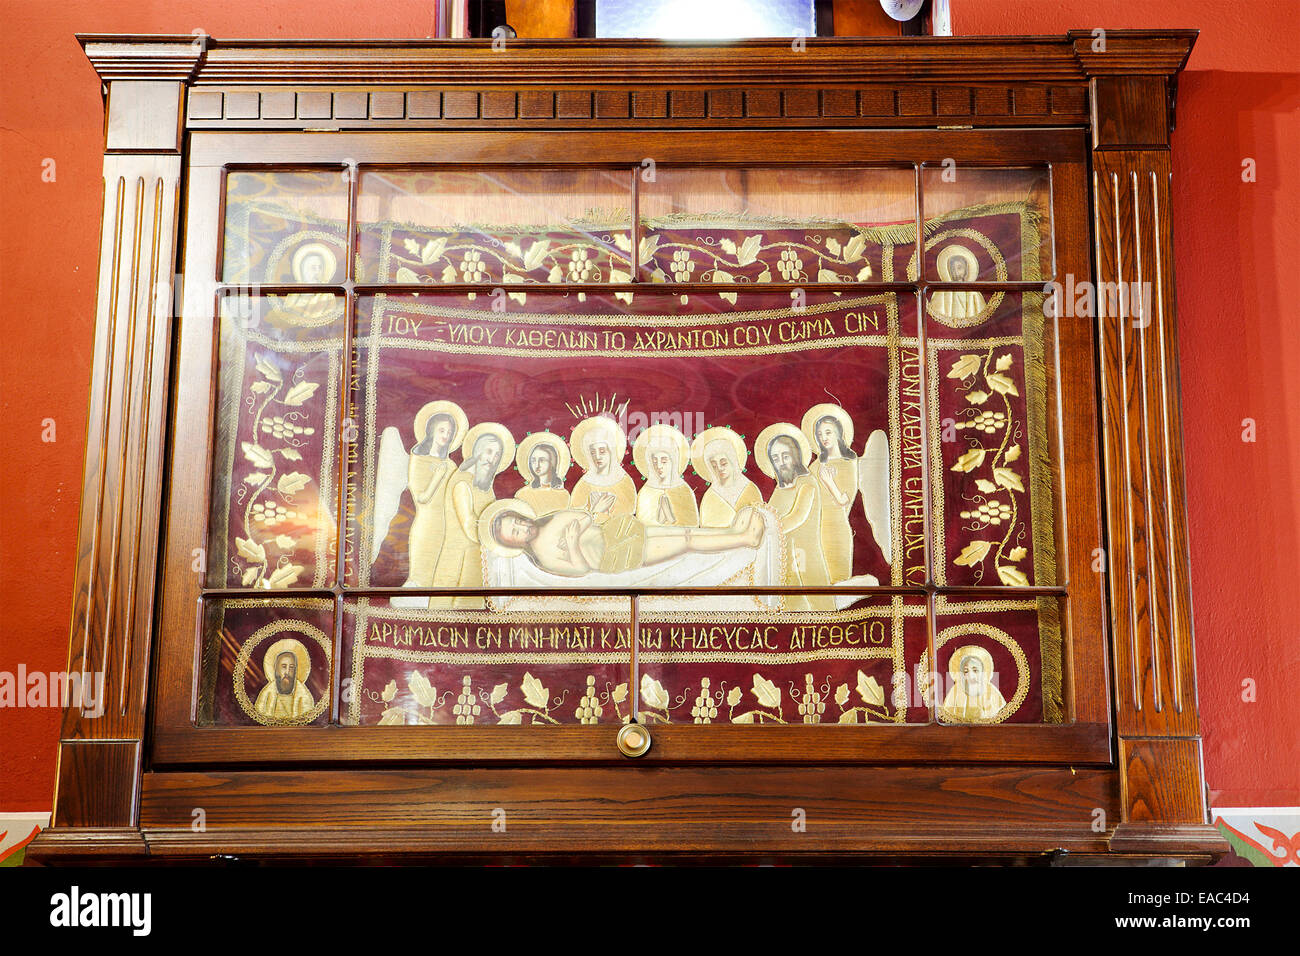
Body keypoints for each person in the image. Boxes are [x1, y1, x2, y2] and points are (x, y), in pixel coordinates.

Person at [488, 504, 765, 578]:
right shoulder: (543, 557)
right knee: (686, 543)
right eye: (516, 532)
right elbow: (580, 569)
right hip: (614, 554)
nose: (522, 527)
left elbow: (583, 516)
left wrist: (576, 531)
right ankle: (745, 539)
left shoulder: (548, 520)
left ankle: (732, 533)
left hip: (616, 531)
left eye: (518, 521)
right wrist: (571, 542)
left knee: (687, 532)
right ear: (515, 545)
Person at [429, 423, 514, 608]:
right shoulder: (462, 482)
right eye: (489, 452)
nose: (492, 459)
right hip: (460, 558)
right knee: (449, 612)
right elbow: (468, 524)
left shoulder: (483, 484)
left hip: (477, 559)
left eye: (497, 455)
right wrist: (499, 541)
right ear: (477, 452)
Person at [758, 423, 834, 611]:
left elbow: (797, 517)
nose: (781, 462)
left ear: (796, 456)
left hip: (805, 555)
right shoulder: (779, 488)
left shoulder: (807, 483)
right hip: (782, 557)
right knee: (789, 607)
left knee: (817, 605)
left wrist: (763, 532)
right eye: (776, 458)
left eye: (785, 456)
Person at [801, 404, 858, 583]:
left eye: (828, 432)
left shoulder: (848, 462)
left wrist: (829, 482)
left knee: (837, 581)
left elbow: (844, 501)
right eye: (819, 434)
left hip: (837, 529)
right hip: (815, 529)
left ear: (838, 433)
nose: (823, 438)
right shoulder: (816, 465)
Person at [568, 415, 636, 523]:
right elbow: (574, 519)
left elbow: (627, 518)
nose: (597, 457)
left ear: (611, 451)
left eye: (602, 451)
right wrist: (595, 510)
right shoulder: (584, 484)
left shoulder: (624, 482)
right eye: (593, 452)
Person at [692, 427, 762, 528]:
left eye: (723, 463)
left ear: (732, 461)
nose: (719, 468)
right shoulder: (710, 495)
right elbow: (706, 530)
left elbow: (760, 525)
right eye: (714, 466)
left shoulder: (749, 489)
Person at [633, 423, 699, 528]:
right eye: (655, 462)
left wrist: (670, 518)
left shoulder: (684, 490)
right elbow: (641, 528)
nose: (659, 466)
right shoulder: (646, 492)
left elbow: (692, 526)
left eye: (664, 461)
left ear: (673, 461)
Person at [940, 644, 1007, 722]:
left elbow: (998, 707)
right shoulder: (955, 691)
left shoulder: (991, 691)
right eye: (966, 671)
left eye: (975, 670)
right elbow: (949, 710)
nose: (971, 675)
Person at [253, 639, 314, 720]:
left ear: (295, 670)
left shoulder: (303, 697)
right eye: (284, 667)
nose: (287, 672)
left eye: (291, 667)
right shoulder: (266, 697)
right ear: (276, 669)